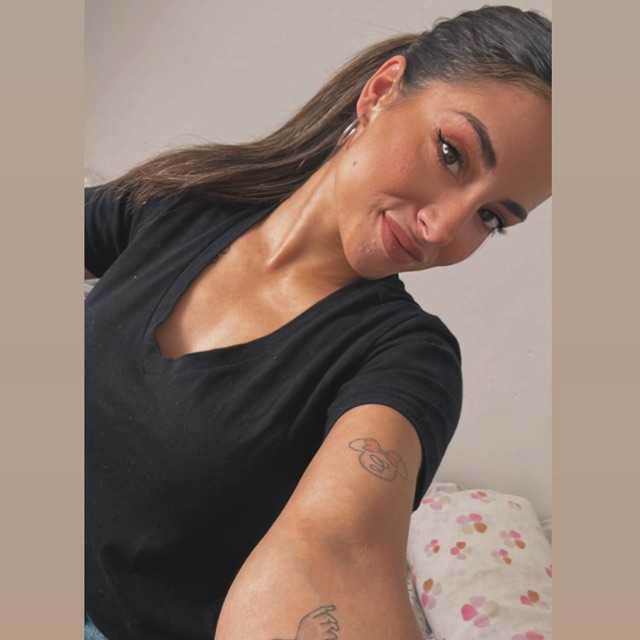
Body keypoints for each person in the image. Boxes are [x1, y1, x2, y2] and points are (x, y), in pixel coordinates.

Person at [84, 5, 551, 639]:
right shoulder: (185, 201)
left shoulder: (408, 359)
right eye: (451, 154)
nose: (444, 230)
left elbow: (338, 549)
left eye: (491, 218)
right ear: (382, 93)